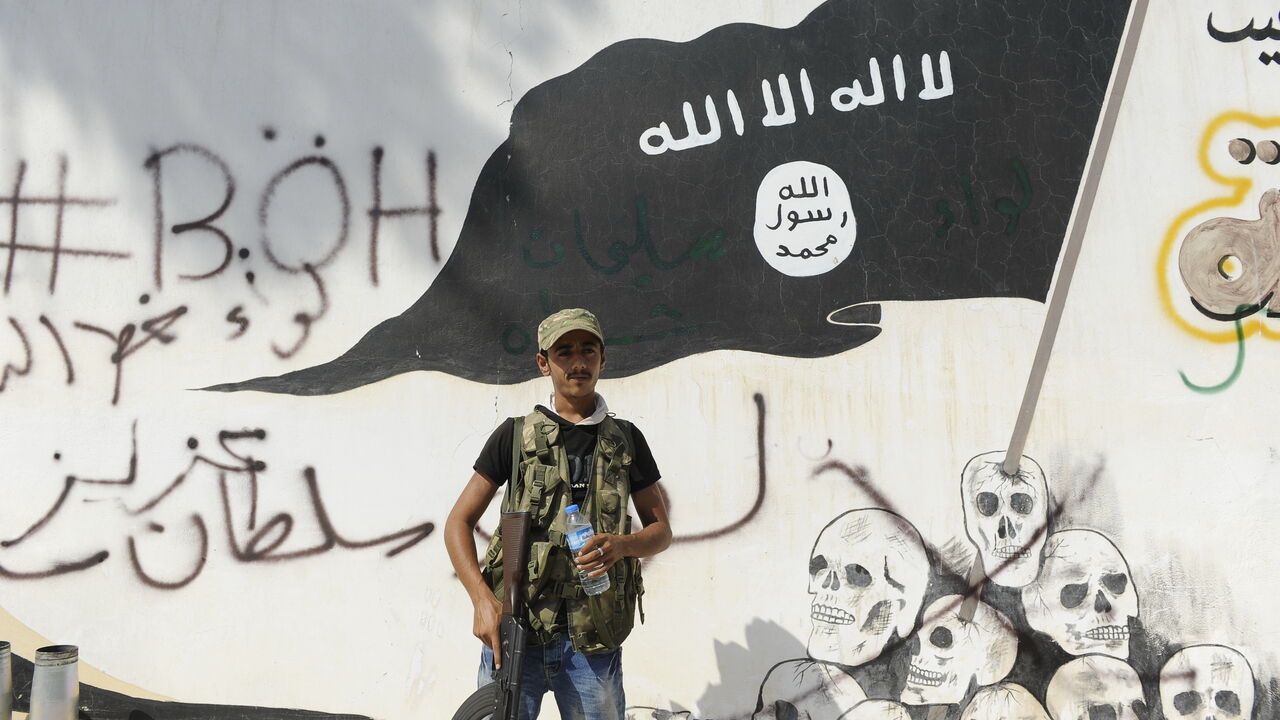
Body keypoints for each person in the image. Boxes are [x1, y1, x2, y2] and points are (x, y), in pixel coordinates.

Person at [445, 308, 672, 720]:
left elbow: (661, 531)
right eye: (564, 352)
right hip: (516, 632)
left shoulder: (627, 440)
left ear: (604, 359)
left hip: (594, 640)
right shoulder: (514, 436)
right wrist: (482, 600)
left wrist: (621, 545)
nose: (578, 362)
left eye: (588, 350)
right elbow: (457, 523)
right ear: (543, 362)